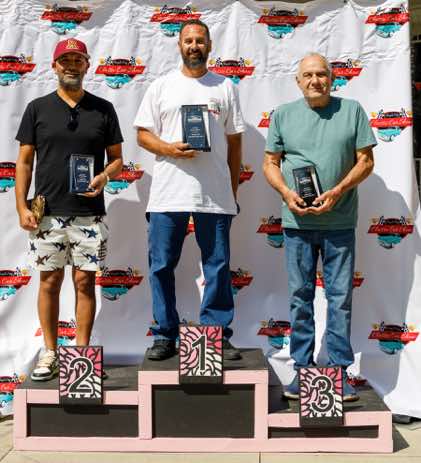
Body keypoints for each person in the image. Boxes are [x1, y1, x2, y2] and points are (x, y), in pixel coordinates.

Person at [263, 53, 377, 401]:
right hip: (296, 222)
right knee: (300, 298)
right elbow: (270, 163)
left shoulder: (352, 111)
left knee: (340, 299)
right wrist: (286, 193)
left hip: (339, 222)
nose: (316, 80)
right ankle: (302, 370)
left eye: (322, 74)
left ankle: (339, 372)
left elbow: (366, 161)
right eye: (308, 75)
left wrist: (338, 190)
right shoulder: (283, 115)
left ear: (332, 78)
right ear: (298, 81)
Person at [134, 19, 244, 361]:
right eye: (188, 40)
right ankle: (165, 334)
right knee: (161, 266)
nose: (194, 46)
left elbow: (235, 143)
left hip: (215, 195)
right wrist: (169, 149)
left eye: (199, 40)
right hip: (168, 193)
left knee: (217, 266)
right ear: (179, 45)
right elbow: (143, 135)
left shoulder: (225, 87)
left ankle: (215, 334)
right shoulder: (162, 86)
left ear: (209, 46)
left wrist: (232, 192)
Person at [15, 38, 123, 381]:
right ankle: (50, 351)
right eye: (66, 60)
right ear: (54, 66)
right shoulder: (37, 108)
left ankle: (81, 355)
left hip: (89, 213)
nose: (71, 65)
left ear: (87, 65)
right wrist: (21, 206)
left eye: (78, 60)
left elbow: (117, 159)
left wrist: (104, 176)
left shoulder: (103, 109)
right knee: (49, 282)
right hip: (47, 213)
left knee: (85, 282)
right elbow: (24, 162)